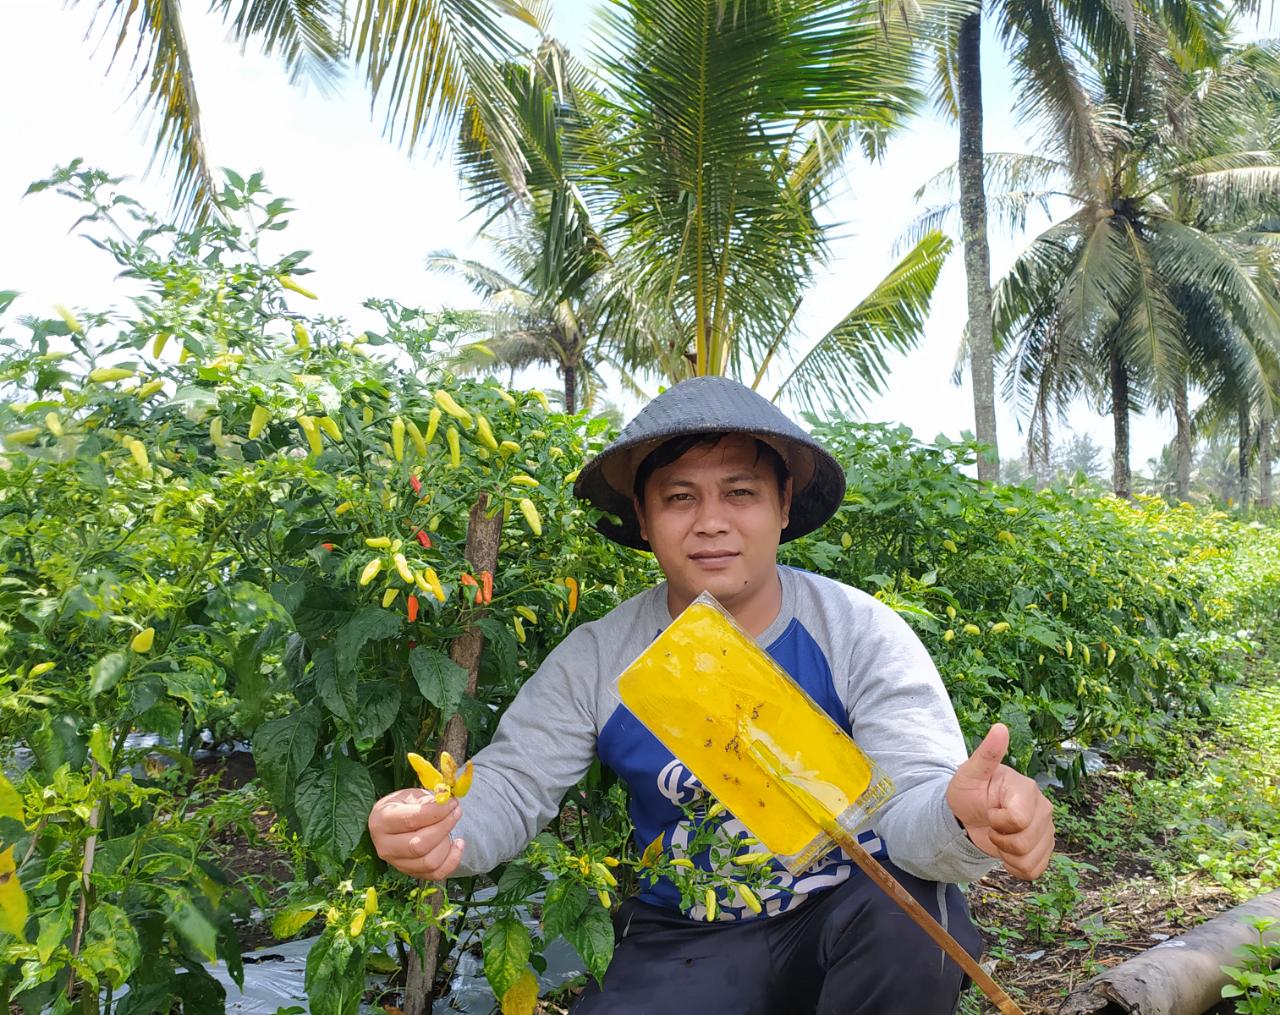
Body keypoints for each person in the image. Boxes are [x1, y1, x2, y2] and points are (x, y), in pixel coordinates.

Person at [368, 377, 1055, 1014]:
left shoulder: (856, 631)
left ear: (784, 504)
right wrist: (442, 826)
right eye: (679, 497)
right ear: (642, 518)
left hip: (848, 913)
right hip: (687, 932)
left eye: (740, 493)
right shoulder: (600, 657)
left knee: (910, 922)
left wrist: (963, 819)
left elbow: (914, 802)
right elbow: (514, 783)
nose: (711, 522)